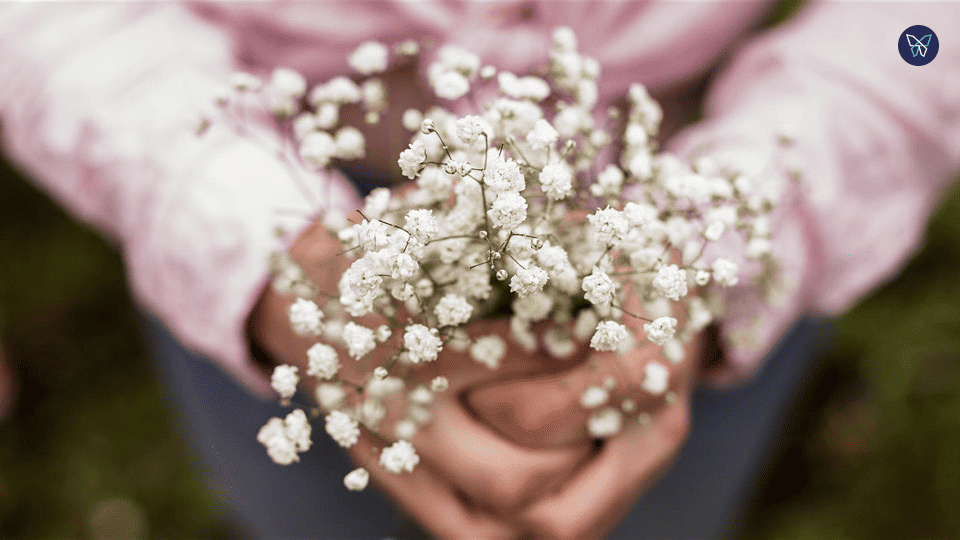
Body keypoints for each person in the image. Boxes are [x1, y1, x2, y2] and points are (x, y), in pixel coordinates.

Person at [0, 2, 957, 538]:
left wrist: (734, 232)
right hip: (261, 178)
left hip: (707, 184)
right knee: (311, 515)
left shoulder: (731, 230)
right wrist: (248, 237)